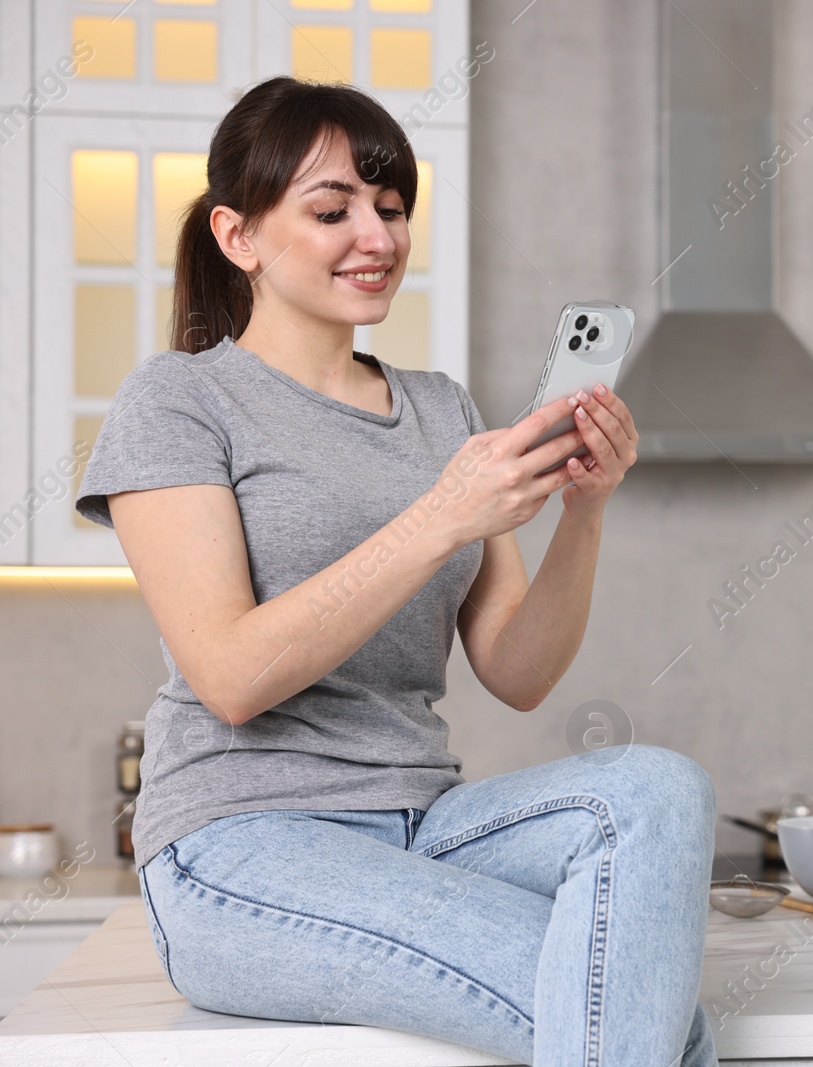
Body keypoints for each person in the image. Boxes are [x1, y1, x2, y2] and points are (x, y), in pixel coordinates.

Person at [72, 75, 717, 1066]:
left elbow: (517, 668)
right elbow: (232, 676)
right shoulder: (180, 400)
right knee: (638, 1011)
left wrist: (583, 513)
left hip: (431, 824)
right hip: (242, 843)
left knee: (657, 789)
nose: (375, 235)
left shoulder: (437, 408)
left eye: (390, 205)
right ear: (236, 236)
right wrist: (439, 515)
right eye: (332, 210)